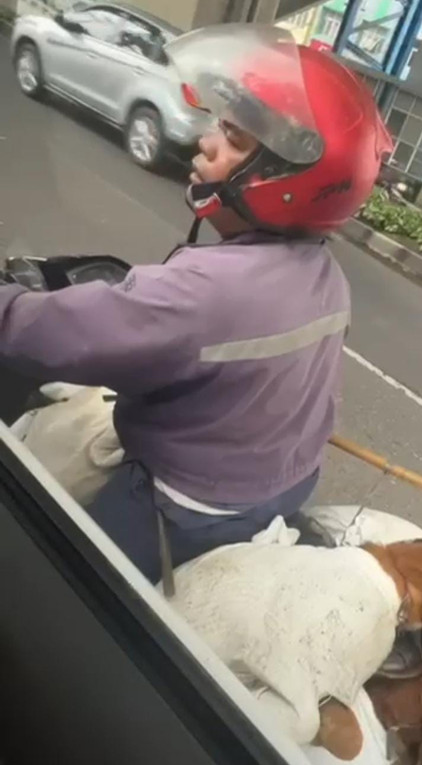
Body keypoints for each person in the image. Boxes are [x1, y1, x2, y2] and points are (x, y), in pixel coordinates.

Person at [0, 24, 392, 582]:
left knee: (59, 579)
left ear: (286, 181)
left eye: (234, 138)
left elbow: (50, 335)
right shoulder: (325, 275)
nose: (206, 141)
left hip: (188, 505)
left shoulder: (204, 291)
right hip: (287, 480)